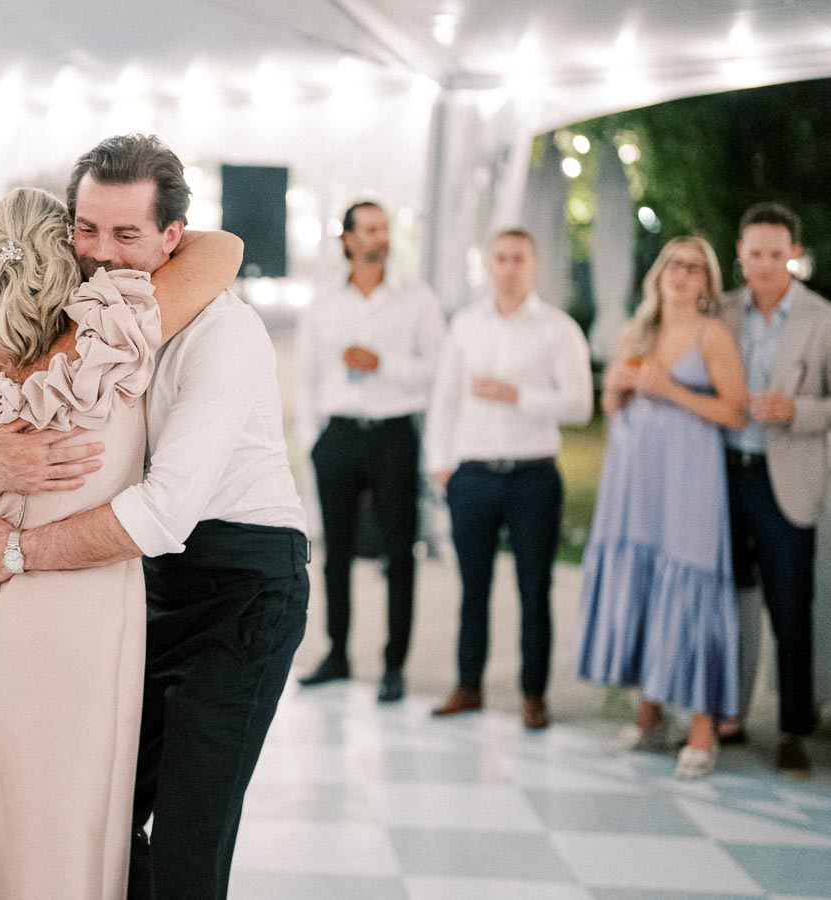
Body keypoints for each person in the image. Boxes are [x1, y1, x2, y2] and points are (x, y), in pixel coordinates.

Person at [0, 134, 309, 900]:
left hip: (244, 586)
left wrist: (15, 552)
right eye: (86, 229)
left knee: (185, 845)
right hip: (144, 587)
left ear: (173, 237)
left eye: (126, 233)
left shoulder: (224, 334)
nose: (102, 253)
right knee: (97, 816)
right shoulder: (85, 329)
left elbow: (162, 514)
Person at [0, 182, 242, 899]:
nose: (104, 250)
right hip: (75, 610)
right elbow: (223, 250)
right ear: (65, 246)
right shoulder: (114, 333)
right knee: (60, 814)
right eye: (86, 232)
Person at [578, 236, 747, 778]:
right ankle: (648, 714)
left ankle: (702, 728)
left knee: (690, 581)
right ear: (659, 273)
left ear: (707, 283)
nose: (681, 274)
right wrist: (615, 388)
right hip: (636, 477)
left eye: (694, 268)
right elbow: (612, 405)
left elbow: (735, 412)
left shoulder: (712, 335)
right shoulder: (637, 330)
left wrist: (670, 388)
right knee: (646, 581)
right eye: (673, 264)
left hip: (690, 475)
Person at [425, 228, 593, 730]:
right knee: (472, 589)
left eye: (518, 258)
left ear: (534, 265)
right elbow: (445, 398)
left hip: (532, 476)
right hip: (472, 475)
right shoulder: (465, 325)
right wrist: (441, 464)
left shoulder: (559, 330)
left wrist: (518, 395)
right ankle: (468, 685)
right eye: (500, 258)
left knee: (534, 590)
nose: (509, 268)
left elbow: (580, 406)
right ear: (489, 265)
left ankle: (533, 695)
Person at [294, 200, 445, 701]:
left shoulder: (418, 300)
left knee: (399, 552)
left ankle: (393, 665)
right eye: (370, 229)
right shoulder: (323, 303)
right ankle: (337, 653)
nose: (380, 236)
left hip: (393, 435)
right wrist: (314, 441)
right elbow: (306, 377)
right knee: (334, 552)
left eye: (384, 228)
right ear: (348, 240)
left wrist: (383, 364)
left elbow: (437, 373)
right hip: (337, 436)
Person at [719, 202, 831, 775]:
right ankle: (729, 715)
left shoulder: (821, 318)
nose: (764, 263)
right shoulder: (721, 311)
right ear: (740, 254)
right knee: (729, 602)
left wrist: (796, 410)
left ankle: (792, 728)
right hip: (724, 474)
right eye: (754, 252)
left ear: (794, 254)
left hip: (785, 480)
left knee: (790, 608)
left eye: (775, 253)